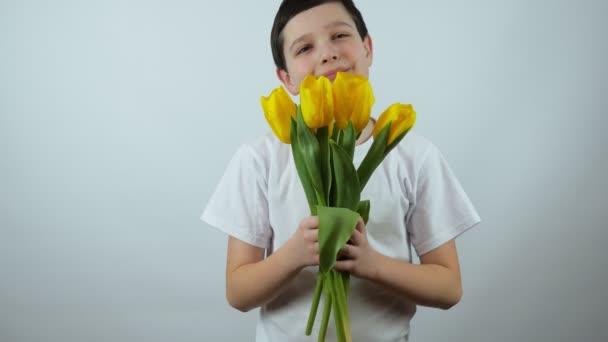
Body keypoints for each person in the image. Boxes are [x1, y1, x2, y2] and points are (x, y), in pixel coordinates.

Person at [201, 0, 481, 340]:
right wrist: (294, 255)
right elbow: (238, 293)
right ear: (286, 78)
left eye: (339, 35)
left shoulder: (414, 156)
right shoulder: (259, 159)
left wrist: (372, 264)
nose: (327, 54)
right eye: (305, 47)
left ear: (368, 48)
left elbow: (449, 288)